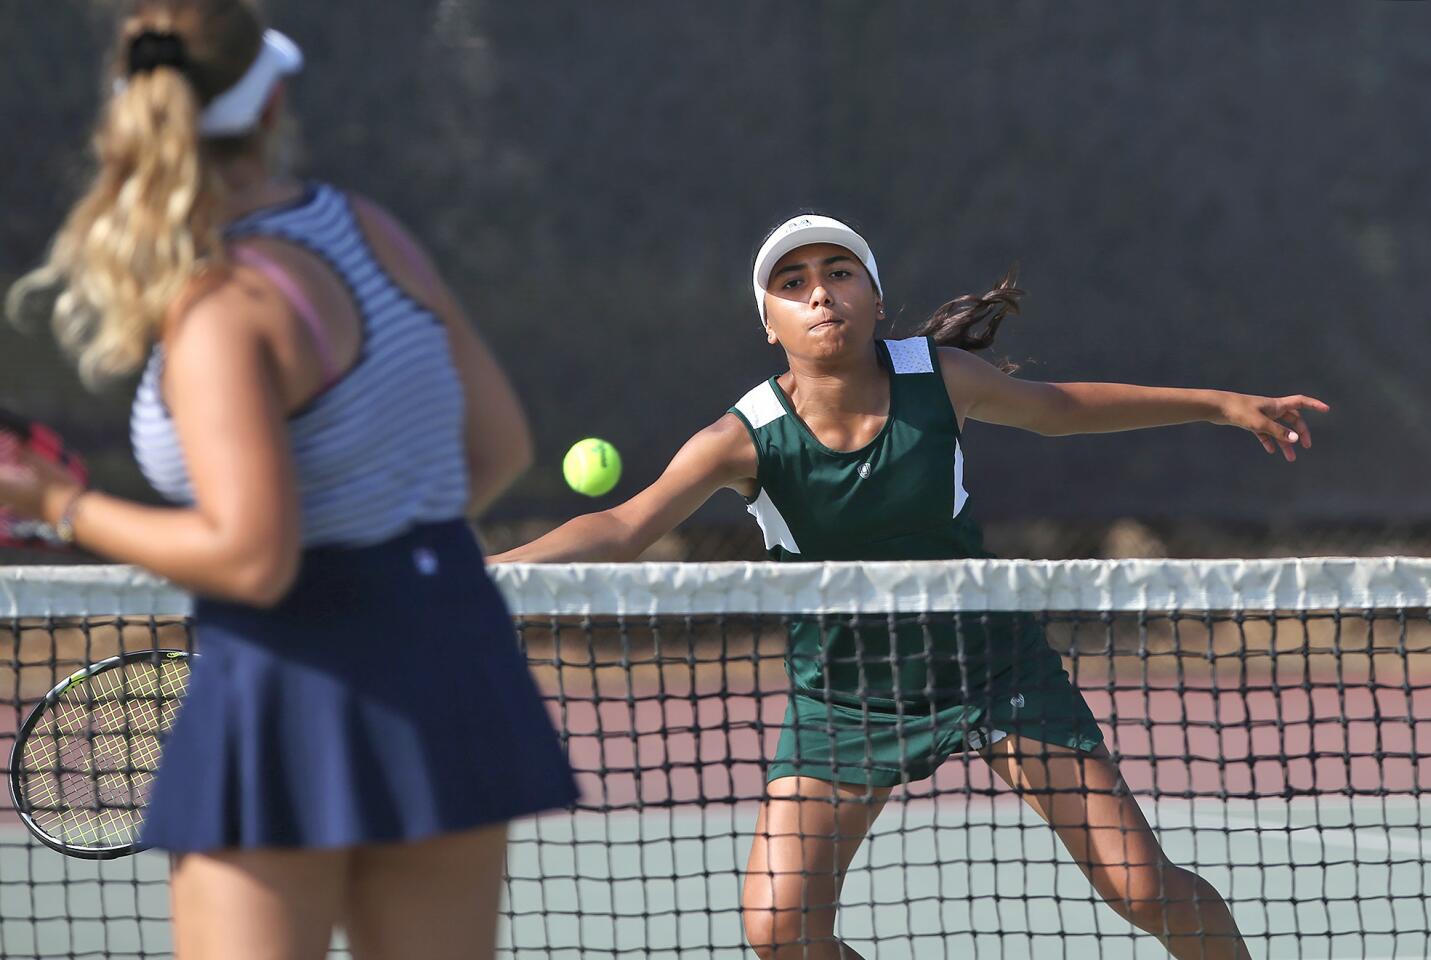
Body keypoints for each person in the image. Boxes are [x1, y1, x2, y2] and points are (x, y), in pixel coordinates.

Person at [490, 213, 1330, 959]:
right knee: (780, 931)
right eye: (793, 283)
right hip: (847, 698)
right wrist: (490, 575)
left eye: (838, 273)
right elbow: (622, 525)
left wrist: (1220, 405)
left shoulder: (939, 378)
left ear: (873, 298)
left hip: (991, 670)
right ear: (769, 324)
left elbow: (1060, 407)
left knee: (1141, 889)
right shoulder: (740, 438)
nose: (819, 293)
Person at [0, 2, 576, 958]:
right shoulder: (372, 229)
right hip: (450, 653)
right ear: (271, 106)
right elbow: (498, 445)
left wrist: (53, 503)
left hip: (286, 682)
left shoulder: (224, 306)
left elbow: (251, 557)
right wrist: (382, 551)